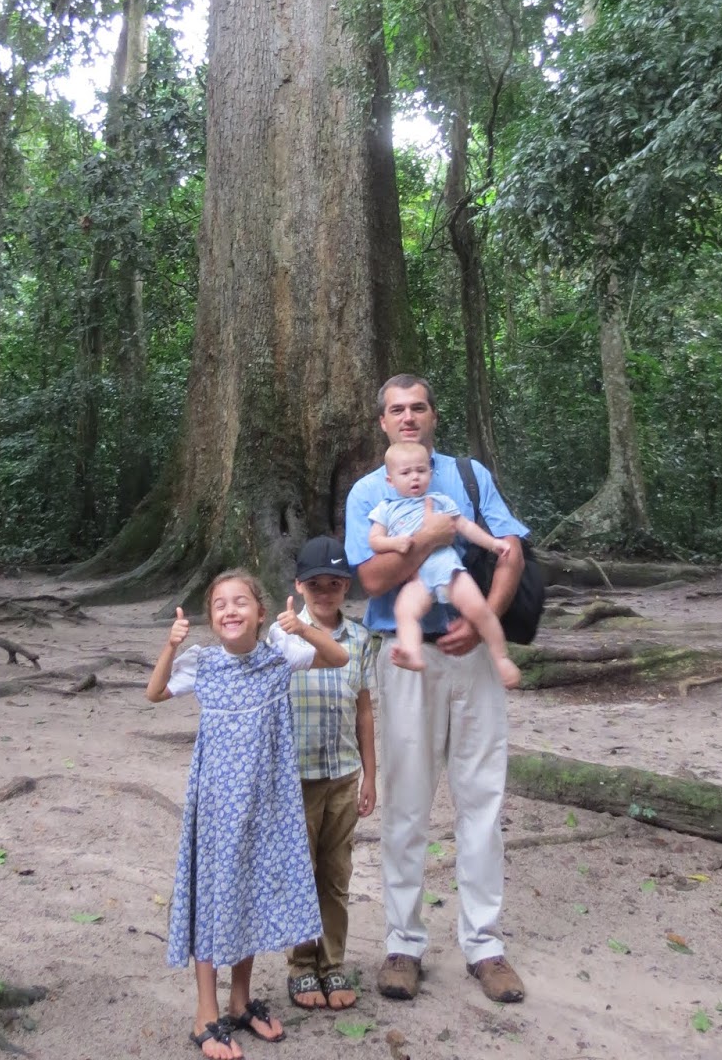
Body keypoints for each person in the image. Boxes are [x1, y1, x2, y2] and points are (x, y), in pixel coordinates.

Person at [344, 375, 528, 1007]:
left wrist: (485, 623)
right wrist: (428, 538)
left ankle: (485, 945)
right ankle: (404, 943)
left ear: (432, 415)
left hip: (472, 656)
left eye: (417, 407)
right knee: (406, 802)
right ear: (382, 422)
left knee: (482, 797)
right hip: (407, 656)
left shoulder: (468, 476)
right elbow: (372, 579)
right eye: (396, 409)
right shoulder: (369, 490)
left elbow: (510, 550)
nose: (408, 417)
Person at [146, 569, 348, 1060]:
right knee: (213, 899)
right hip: (216, 809)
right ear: (211, 619)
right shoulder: (204, 663)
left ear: (260, 613)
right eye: (219, 605)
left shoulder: (280, 655)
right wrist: (171, 646)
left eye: (240, 602)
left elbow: (339, 657)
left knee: (250, 897)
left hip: (265, 806)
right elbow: (154, 692)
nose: (230, 611)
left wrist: (303, 628)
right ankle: (205, 1014)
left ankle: (240, 1002)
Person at [284, 536, 377, 1013]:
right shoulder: (281, 636)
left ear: (347, 587)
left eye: (335, 584)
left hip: (342, 773)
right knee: (299, 872)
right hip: (295, 776)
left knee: (337, 873)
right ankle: (301, 964)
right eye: (315, 584)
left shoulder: (359, 638)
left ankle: (332, 961)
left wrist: (370, 775)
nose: (325, 592)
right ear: (299, 586)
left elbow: (364, 710)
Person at [368, 441, 522, 686]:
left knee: (479, 609)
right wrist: (395, 543)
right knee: (404, 611)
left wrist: (493, 544)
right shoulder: (385, 509)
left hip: (449, 571)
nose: (414, 477)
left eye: (421, 470)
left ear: (430, 473)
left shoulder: (440, 501)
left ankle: (500, 657)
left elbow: (466, 527)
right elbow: (375, 541)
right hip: (418, 580)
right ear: (390, 480)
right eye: (405, 473)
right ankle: (412, 653)